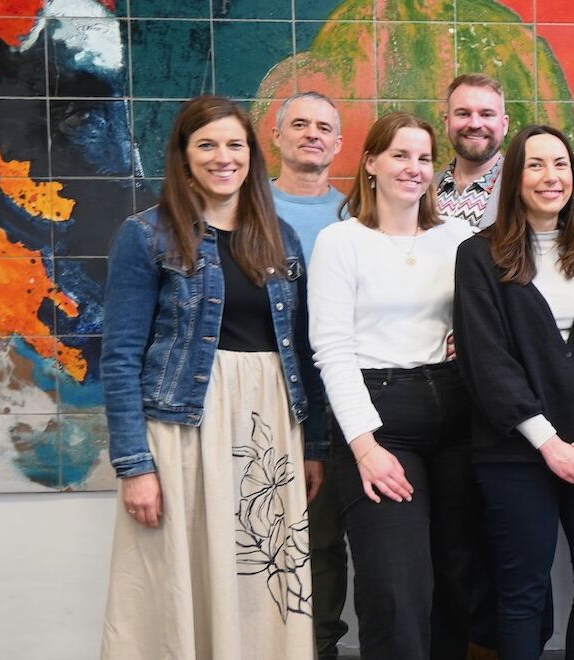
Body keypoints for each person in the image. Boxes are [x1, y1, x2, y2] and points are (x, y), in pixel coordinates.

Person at [100, 94, 326, 660]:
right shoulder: (146, 235)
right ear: (183, 155)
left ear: (251, 154)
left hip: (269, 429)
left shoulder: (281, 238)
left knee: (262, 578)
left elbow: (298, 348)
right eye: (206, 144)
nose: (222, 157)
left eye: (234, 144)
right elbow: (121, 355)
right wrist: (135, 466)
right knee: (178, 576)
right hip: (182, 429)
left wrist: (314, 445)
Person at [307, 112, 478, 660]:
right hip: (380, 420)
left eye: (425, 157)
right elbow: (331, 351)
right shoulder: (341, 242)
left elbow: (487, 322)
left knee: (456, 582)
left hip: (456, 413)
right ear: (371, 163)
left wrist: (466, 340)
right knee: (395, 589)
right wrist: (365, 448)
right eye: (400, 155)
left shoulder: (457, 237)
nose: (414, 168)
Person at [454, 125, 574, 660]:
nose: (551, 177)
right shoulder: (478, 257)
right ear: (514, 178)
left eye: (560, 165)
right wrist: (546, 442)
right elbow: (487, 362)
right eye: (535, 165)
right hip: (516, 453)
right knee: (523, 591)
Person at [267, 90, 352, 660]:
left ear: (340, 144)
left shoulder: (355, 216)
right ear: (276, 136)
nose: (311, 134)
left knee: (323, 539)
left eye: (324, 126)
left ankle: (320, 646)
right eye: (299, 124)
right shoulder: (247, 210)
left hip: (342, 396)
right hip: (267, 389)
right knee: (260, 531)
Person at [438, 73, 511, 231]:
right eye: (463, 114)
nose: (475, 124)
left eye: (486, 114)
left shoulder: (523, 189)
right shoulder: (422, 189)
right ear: (447, 123)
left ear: (504, 125)